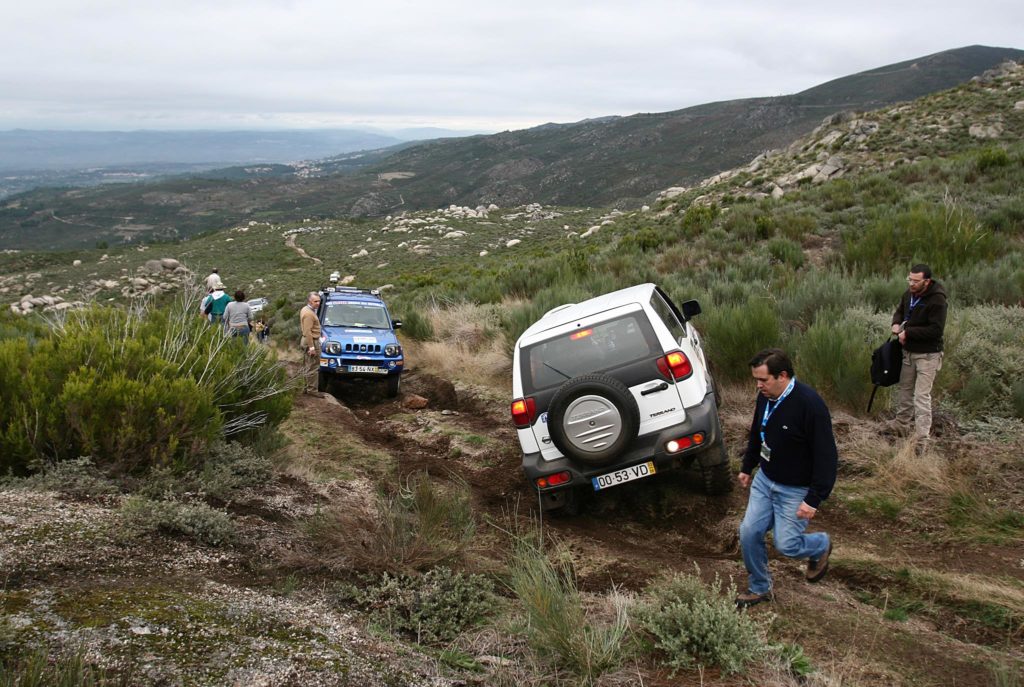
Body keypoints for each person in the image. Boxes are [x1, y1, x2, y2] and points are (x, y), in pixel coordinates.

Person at [736, 348, 838, 608]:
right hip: (765, 480)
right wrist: (748, 467)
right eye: (756, 380)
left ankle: (820, 545)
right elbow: (757, 434)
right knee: (749, 533)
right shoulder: (765, 398)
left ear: (782, 376)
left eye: (763, 380)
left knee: (787, 545)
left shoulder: (810, 406)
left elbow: (826, 456)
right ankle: (760, 587)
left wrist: (814, 499)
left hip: (795, 490)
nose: (759, 386)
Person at [890, 264, 948, 440]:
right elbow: (900, 311)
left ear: (927, 281)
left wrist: (908, 333)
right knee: (905, 391)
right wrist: (896, 323)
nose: (911, 284)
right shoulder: (909, 294)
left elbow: (936, 330)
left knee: (921, 396)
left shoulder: (937, 299)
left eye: (916, 281)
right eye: (910, 279)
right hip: (908, 352)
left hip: (928, 356)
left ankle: (922, 437)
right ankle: (900, 426)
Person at [299, 292, 322, 394]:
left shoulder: (306, 309)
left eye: (319, 301)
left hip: (307, 340)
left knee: (307, 365)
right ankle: (312, 390)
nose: (318, 303)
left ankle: (306, 388)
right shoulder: (308, 313)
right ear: (310, 301)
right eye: (315, 301)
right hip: (311, 341)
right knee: (313, 366)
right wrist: (312, 347)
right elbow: (308, 331)